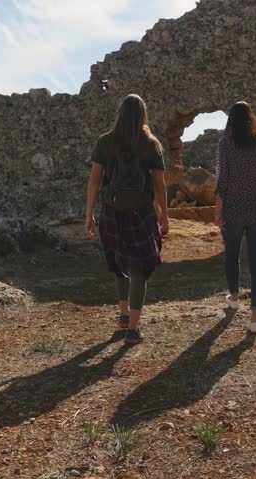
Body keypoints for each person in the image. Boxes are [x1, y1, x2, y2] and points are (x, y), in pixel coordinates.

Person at [85, 94, 169, 345]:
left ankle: (123, 315)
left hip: (111, 211)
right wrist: (165, 214)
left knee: (118, 261)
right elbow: (160, 185)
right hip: (141, 213)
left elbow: (94, 181)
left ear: (120, 113)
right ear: (143, 114)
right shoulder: (151, 144)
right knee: (140, 268)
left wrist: (88, 214)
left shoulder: (105, 142)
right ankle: (133, 329)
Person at [214, 101, 256, 334]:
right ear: (252, 119)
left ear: (231, 120)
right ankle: (255, 319)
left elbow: (222, 182)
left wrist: (218, 211)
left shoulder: (226, 144)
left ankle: (234, 295)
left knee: (231, 254)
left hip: (232, 211)